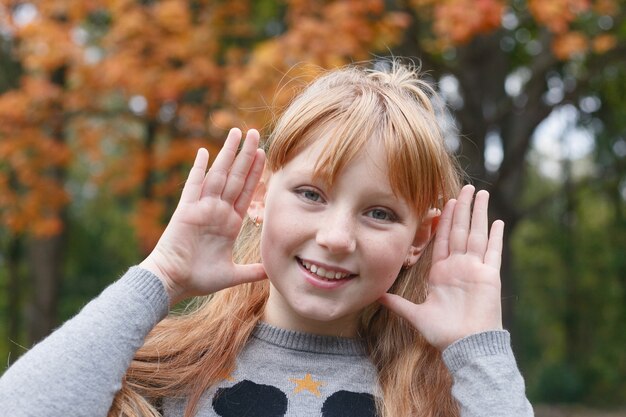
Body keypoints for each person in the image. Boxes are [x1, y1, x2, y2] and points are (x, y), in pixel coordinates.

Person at [0, 60, 533, 417]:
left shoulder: (445, 397)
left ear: (419, 239)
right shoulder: (161, 374)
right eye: (311, 194)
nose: (336, 236)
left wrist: (476, 349)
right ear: (258, 194)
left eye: (379, 212)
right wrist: (158, 278)